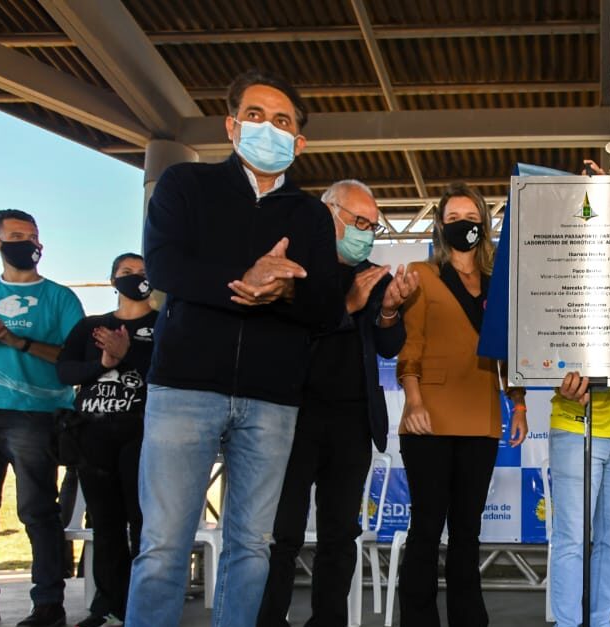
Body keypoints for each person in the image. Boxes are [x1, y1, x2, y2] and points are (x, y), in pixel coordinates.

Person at [127, 69, 344, 627]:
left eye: (281, 121)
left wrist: (282, 288)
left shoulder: (311, 215)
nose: (266, 128)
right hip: (184, 389)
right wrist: (244, 279)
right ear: (230, 125)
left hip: (272, 400)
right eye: (254, 116)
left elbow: (324, 308)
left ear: (299, 142)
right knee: (164, 544)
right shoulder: (184, 185)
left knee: (253, 546)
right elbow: (165, 267)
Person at [257, 179, 418, 627]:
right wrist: (348, 305)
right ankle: (268, 619)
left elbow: (389, 347)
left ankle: (327, 621)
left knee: (339, 535)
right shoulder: (295, 270)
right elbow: (287, 337)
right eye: (359, 221)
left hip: (352, 422)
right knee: (282, 534)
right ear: (329, 213)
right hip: (293, 418)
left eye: (372, 225)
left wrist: (387, 310)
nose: (366, 231)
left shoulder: (373, 274)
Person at [395, 183, 526, 626]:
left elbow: (510, 354)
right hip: (427, 417)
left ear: (483, 225)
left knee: (467, 534)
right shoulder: (420, 273)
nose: (462, 225)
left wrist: (519, 403)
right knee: (427, 530)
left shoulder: (498, 285)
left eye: (469, 217)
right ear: (440, 226)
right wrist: (413, 401)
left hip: (482, 419)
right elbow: (410, 346)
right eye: (452, 219)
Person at [0, 208, 82, 627]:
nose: (27, 243)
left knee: (37, 512)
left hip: (37, 417)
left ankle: (49, 604)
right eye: (16, 236)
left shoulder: (61, 298)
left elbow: (75, 358)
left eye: (32, 236)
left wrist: (16, 340)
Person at [55, 253, 157, 627]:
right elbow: (65, 371)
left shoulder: (163, 325)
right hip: (93, 438)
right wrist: (104, 365)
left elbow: (167, 374)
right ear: (112, 279)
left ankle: (144, 605)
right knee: (106, 525)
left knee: (142, 523)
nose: (135, 278)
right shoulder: (90, 327)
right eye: (126, 272)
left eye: (143, 272)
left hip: (143, 438)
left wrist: (127, 357)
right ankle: (109, 606)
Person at [547, 373, 610, 627]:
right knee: (571, 540)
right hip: (576, 425)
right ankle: (567, 624)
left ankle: (601, 623)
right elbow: (545, 347)